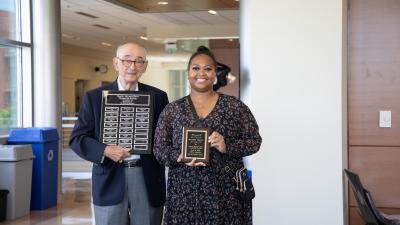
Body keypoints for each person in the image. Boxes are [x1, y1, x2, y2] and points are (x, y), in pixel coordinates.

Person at [153, 46, 262, 225]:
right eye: (195, 68)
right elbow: (159, 149)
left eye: (208, 68)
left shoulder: (234, 107)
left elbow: (254, 141)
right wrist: (179, 156)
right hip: (184, 194)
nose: (201, 73)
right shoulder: (173, 110)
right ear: (188, 72)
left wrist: (227, 146)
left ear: (215, 74)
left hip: (226, 194)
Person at [69, 43, 169, 225]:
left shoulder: (159, 97)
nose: (132, 66)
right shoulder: (94, 97)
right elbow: (77, 139)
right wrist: (105, 150)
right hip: (109, 176)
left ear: (145, 66)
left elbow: (166, 137)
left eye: (139, 62)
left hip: (147, 177)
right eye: (127, 60)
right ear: (116, 63)